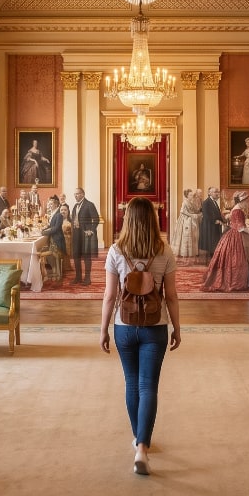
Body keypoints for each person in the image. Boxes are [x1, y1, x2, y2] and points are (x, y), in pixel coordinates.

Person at [99, 197, 181, 476]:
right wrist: (177, 328)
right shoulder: (165, 251)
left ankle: (139, 440)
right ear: (153, 220)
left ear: (127, 220)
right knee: (148, 386)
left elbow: (110, 296)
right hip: (155, 326)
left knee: (132, 384)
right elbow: (171, 296)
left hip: (124, 325)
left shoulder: (116, 251)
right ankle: (142, 446)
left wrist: (103, 330)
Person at [202, 193, 249, 292]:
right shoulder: (238, 210)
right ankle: (234, 281)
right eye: (246, 201)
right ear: (242, 201)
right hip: (236, 236)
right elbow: (241, 227)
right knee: (237, 259)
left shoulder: (235, 208)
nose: (247, 203)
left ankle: (229, 279)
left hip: (232, 234)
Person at [70, 187, 100, 285]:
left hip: (85, 235)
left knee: (87, 256)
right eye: (74, 194)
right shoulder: (75, 206)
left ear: (83, 194)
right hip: (76, 234)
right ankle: (78, 277)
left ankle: (87, 278)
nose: (75, 196)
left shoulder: (89, 205)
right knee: (76, 255)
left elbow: (96, 219)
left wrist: (91, 230)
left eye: (77, 194)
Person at [172, 188, 201, 257]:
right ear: (187, 195)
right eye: (190, 195)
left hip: (191, 220)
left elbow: (195, 210)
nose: (191, 196)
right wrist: (192, 215)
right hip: (185, 220)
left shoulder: (191, 202)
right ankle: (184, 252)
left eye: (192, 195)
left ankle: (192, 252)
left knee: (193, 235)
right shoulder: (185, 202)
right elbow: (182, 211)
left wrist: (198, 212)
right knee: (186, 235)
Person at [199, 186, 224, 257]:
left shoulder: (214, 202)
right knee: (211, 244)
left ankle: (214, 257)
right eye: (215, 192)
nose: (217, 193)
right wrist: (216, 221)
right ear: (209, 193)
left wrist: (222, 220)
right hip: (209, 226)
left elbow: (217, 213)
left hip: (214, 225)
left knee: (215, 243)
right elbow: (206, 215)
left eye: (217, 192)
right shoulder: (206, 202)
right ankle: (212, 260)